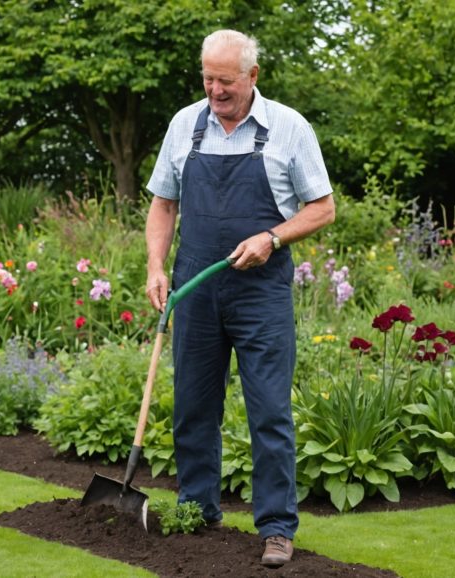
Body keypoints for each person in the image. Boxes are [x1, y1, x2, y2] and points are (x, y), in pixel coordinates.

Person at [144, 29, 335, 569]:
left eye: (225, 80)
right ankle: (196, 510)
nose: (215, 90)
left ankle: (276, 527)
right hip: (197, 287)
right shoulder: (186, 124)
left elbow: (322, 208)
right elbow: (163, 205)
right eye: (207, 78)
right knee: (193, 406)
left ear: (252, 76)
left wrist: (273, 237)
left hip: (260, 293)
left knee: (270, 411)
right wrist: (156, 267)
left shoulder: (289, 129)